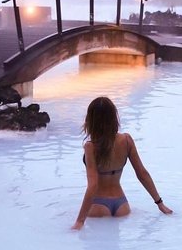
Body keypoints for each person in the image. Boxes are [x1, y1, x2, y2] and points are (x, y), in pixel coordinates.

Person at [71, 96, 173, 230]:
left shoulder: (91, 147)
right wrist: (160, 203)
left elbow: (93, 185)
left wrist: (79, 221)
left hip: (98, 206)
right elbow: (142, 174)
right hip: (122, 206)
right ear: (114, 117)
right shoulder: (126, 140)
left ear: (90, 120)